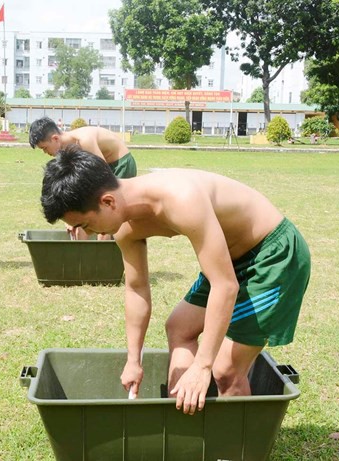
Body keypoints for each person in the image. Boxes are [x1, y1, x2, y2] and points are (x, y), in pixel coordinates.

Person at [41, 145, 311, 415]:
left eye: (86, 225)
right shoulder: (124, 228)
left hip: (272, 255)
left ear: (108, 202)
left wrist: (202, 366)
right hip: (229, 259)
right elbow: (136, 288)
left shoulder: (181, 198)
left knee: (225, 371)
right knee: (179, 328)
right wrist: (133, 360)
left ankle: (238, 451)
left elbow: (225, 286)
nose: (87, 233)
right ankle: (183, 429)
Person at [30, 116, 137, 239]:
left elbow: (101, 177)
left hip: (120, 165)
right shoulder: (67, 150)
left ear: (55, 138)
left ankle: (102, 252)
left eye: (44, 148)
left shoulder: (84, 140)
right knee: (80, 211)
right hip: (104, 168)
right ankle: (81, 252)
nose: (45, 152)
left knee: (104, 211)